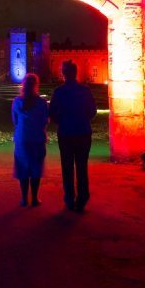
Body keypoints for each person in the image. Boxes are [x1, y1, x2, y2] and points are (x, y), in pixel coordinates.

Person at [48, 60, 96, 212]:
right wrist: (83, 119)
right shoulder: (85, 90)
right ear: (76, 73)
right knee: (82, 167)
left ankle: (69, 198)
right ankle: (82, 198)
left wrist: (62, 121)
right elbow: (92, 111)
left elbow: (52, 113)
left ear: (64, 74)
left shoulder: (59, 92)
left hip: (66, 133)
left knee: (67, 167)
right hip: (82, 132)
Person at [11, 73, 49, 207]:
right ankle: (34, 198)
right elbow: (45, 120)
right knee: (35, 169)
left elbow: (15, 121)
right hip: (37, 138)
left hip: (22, 138)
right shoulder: (41, 102)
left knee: (23, 169)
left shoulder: (17, 102)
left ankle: (23, 198)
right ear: (36, 86)